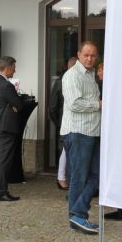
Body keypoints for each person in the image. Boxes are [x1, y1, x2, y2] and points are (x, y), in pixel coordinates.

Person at [61, 41, 102, 234]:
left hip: (93, 132)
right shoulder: (72, 75)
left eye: (93, 55)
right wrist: (99, 104)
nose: (89, 58)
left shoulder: (91, 75)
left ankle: (77, 213)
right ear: (79, 55)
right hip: (77, 132)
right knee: (79, 177)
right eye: (86, 55)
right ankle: (77, 216)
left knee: (96, 175)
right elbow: (75, 104)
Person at [0, 56, 25, 201]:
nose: (15, 70)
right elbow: (20, 105)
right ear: (8, 67)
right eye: (14, 67)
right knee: (5, 160)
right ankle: (1, 192)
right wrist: (14, 106)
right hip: (7, 126)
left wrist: (12, 105)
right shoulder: (7, 85)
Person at [49, 56, 76, 190]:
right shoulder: (60, 82)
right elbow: (52, 107)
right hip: (64, 122)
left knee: (67, 151)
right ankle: (62, 178)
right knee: (65, 151)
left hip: (67, 122)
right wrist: (58, 123)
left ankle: (64, 178)